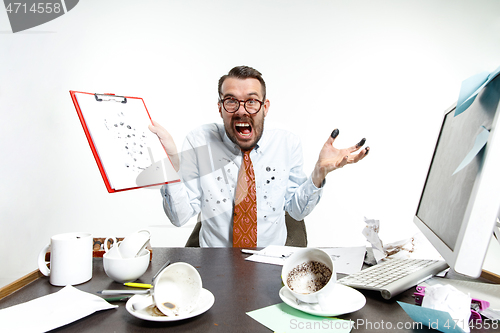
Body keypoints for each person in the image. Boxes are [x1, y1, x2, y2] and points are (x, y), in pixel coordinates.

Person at [149, 66, 369, 247]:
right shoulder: (200, 141)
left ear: (265, 107)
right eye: (231, 101)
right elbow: (179, 217)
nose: (242, 111)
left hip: (270, 263)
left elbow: (297, 211)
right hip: (214, 264)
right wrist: (170, 167)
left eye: (252, 101)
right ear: (220, 108)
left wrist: (318, 175)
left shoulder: (286, 143)